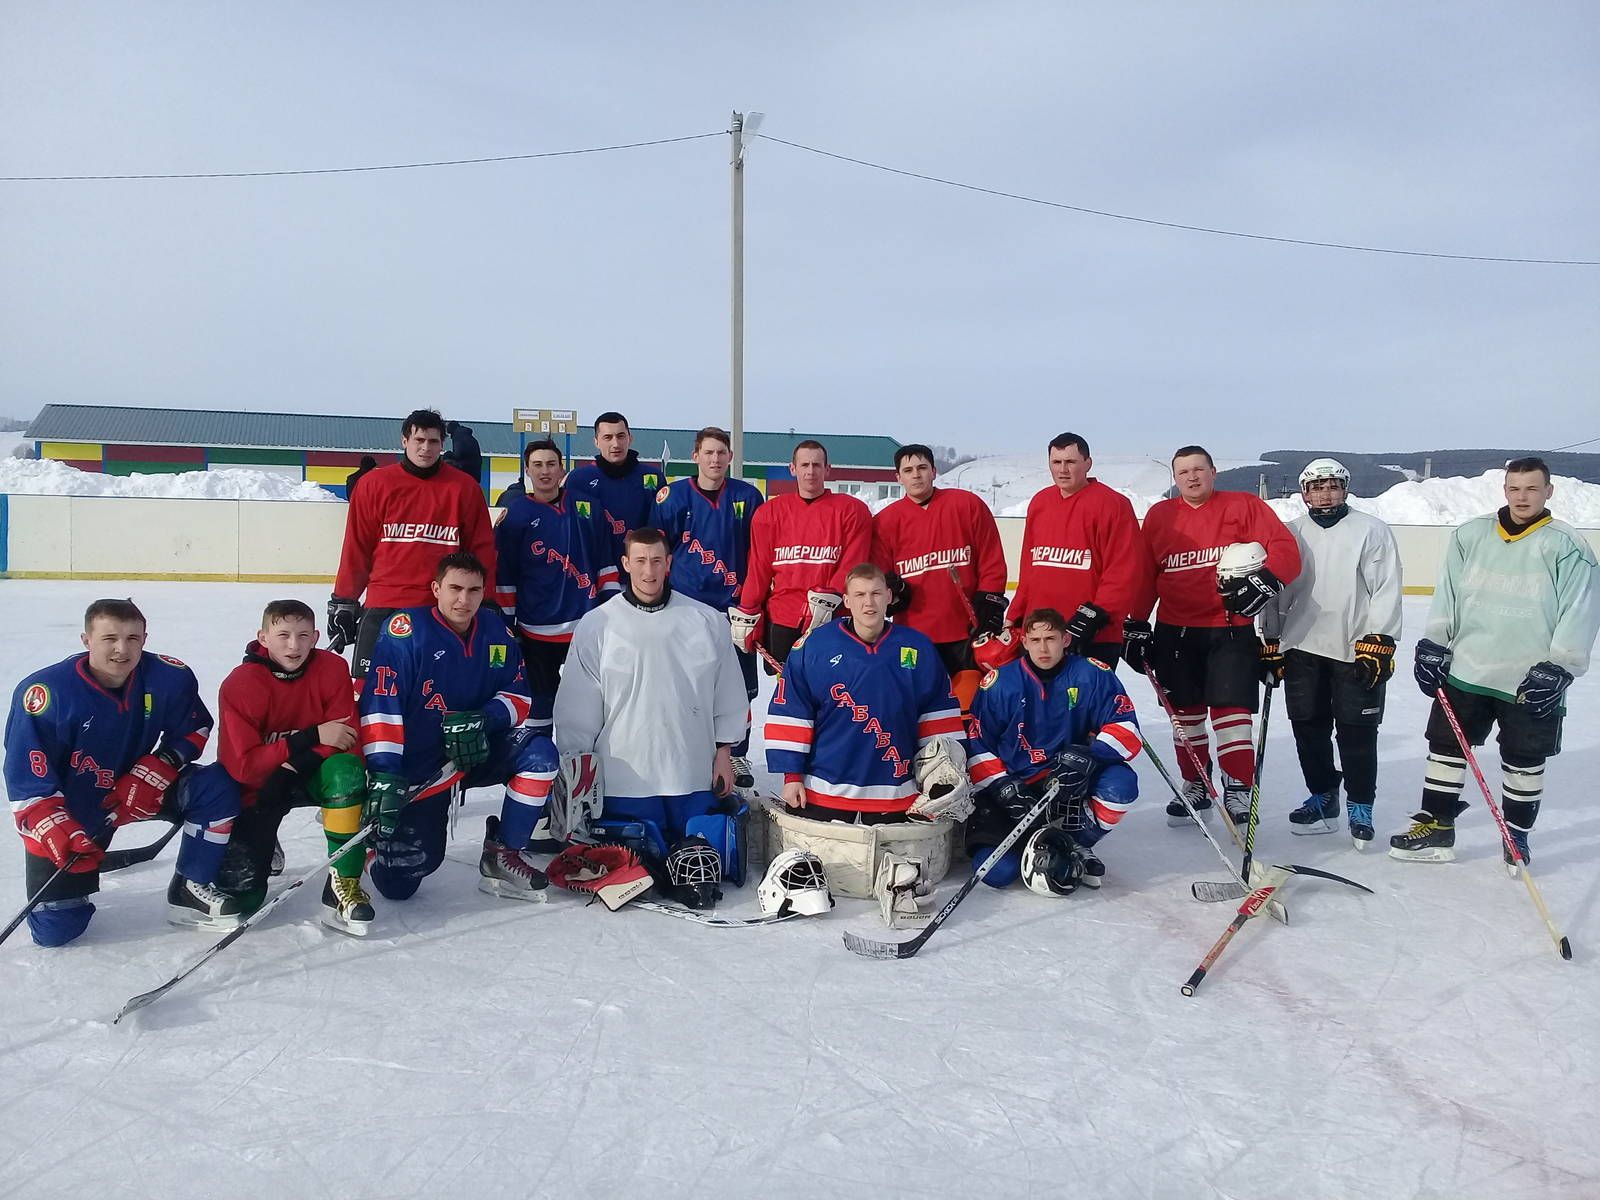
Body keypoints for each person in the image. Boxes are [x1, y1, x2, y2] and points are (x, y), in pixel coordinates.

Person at [1390, 457, 1599, 868]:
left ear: (1548, 491)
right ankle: (1437, 826)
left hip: (1529, 676)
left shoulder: (1567, 545)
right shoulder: (1471, 534)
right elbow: (1449, 592)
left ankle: (1516, 833)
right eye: (1515, 488)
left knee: (1524, 757)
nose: (1523, 497)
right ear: (1505, 490)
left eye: (1532, 489)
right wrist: (1435, 642)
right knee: (1446, 747)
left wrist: (1561, 665)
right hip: (1469, 668)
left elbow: (1581, 609)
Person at [5, 599, 241, 946]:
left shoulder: (169, 677)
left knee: (215, 787)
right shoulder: (46, 693)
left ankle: (191, 886)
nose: (122, 649)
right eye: (109, 638)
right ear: (86, 640)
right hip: (73, 810)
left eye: (133, 638)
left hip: (135, 792)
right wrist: (59, 829)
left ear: (145, 638)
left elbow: (195, 729)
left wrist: (163, 764)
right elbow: (27, 780)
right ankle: (73, 888)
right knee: (57, 930)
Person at [360, 553, 558, 903]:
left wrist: (485, 719)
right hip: (422, 766)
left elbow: (519, 695)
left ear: (484, 593)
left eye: (473, 590)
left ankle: (503, 853)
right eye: (454, 588)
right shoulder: (405, 633)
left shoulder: (497, 632)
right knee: (399, 884)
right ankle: (375, 849)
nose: (463, 600)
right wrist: (385, 773)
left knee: (540, 756)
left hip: (477, 749)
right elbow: (381, 709)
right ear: (436, 588)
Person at [554, 528, 748, 869]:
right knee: (638, 862)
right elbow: (577, 705)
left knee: (698, 858)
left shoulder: (706, 621)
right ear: (626, 563)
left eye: (657, 561)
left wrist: (724, 752)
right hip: (625, 778)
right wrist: (577, 768)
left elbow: (728, 692)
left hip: (691, 773)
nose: (649, 571)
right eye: (640, 561)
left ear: (669, 563)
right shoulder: (597, 624)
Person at [1129, 445, 1301, 825]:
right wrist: (1137, 621)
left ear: (1213, 471)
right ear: (1175, 478)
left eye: (1198, 469)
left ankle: (1238, 786)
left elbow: (1285, 549)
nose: (1191, 477)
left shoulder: (1244, 506)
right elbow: (1145, 573)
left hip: (1230, 630)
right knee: (1185, 717)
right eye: (1183, 472)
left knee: (1232, 715)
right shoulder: (1160, 516)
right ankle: (1195, 782)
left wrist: (1269, 579)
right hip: (1175, 633)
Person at [1260, 459, 1403, 849]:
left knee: (1357, 731)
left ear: (1345, 488)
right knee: (1308, 727)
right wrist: (1270, 639)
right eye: (1317, 486)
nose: (1325, 492)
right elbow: (1277, 591)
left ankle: (1361, 803)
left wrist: (1381, 638)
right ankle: (1323, 794)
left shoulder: (1371, 530)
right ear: (1304, 492)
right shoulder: (1291, 533)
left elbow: (1386, 587)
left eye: (1333, 485)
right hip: (1302, 645)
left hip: (1356, 647)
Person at [215, 600, 373, 933]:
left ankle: (343, 885)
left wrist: (292, 764)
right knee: (241, 901)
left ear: (316, 636)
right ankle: (264, 842)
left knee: (346, 770)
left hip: (311, 771)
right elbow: (244, 766)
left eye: (303, 636)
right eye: (283, 634)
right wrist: (310, 737)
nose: (294, 645)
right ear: (263, 637)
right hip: (260, 785)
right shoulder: (241, 684)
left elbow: (346, 735)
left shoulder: (331, 668)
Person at [765, 563, 967, 822]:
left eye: (876, 593)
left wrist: (941, 776)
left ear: (889, 597)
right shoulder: (814, 647)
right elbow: (792, 712)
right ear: (847, 600)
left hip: (899, 794)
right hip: (825, 791)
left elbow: (937, 714)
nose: (868, 603)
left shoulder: (918, 648)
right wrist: (792, 777)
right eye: (860, 595)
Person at [965, 607, 1143, 889]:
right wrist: (1002, 785)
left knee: (1120, 785)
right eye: (1035, 641)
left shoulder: (1092, 674)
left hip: (1069, 781)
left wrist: (1089, 754)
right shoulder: (1001, 685)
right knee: (996, 873)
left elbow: (1127, 729)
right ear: (1023, 642)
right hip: (1017, 783)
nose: (1043, 648)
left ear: (1066, 640)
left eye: (1051, 638)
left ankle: (1075, 843)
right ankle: (1036, 840)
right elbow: (977, 743)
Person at [329, 408, 496, 688]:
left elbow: (481, 551)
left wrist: (487, 600)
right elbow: (356, 547)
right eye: (419, 440)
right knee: (373, 694)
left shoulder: (465, 489)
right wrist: (344, 600)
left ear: (442, 444)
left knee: (438, 692)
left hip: (442, 608)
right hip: (384, 604)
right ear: (404, 440)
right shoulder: (373, 485)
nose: (425, 448)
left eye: (433, 442)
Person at [649, 426, 766, 787]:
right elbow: (657, 550)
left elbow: (759, 552)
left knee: (741, 687)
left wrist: (752, 600)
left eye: (721, 453)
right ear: (696, 456)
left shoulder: (748, 495)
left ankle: (739, 755)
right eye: (708, 453)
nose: (715, 460)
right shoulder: (672, 497)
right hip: (686, 610)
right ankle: (690, 749)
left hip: (735, 610)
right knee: (686, 685)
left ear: (730, 457)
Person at [493, 439, 619, 736]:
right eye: (537, 465)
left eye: (551, 464)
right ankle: (542, 772)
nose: (545, 471)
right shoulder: (515, 516)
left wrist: (614, 610)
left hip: (585, 628)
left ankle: (586, 769)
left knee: (590, 705)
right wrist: (507, 625)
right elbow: (505, 575)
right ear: (527, 470)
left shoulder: (587, 506)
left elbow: (605, 563)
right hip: (535, 630)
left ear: (562, 469)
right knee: (541, 708)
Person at [871, 442, 1008, 711]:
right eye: (908, 470)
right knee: (918, 710)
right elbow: (879, 574)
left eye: (922, 467)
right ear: (897, 477)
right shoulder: (885, 521)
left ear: (934, 471)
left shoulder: (967, 505)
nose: (916, 475)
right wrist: (892, 593)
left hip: (966, 634)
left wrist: (990, 600)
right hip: (914, 636)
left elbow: (991, 558)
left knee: (968, 708)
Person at [1007, 432, 1154, 666]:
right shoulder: (1040, 503)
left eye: (1071, 462)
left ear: (1088, 463)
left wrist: (1095, 617)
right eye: (1056, 462)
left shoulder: (1113, 505)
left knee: (1084, 702)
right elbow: (1030, 569)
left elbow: (1123, 572)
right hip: (1040, 635)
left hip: (1092, 636)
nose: (1063, 469)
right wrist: (1015, 615)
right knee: (1037, 701)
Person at [732, 439, 873, 669]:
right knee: (788, 694)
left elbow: (853, 564)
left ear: (827, 469)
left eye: (817, 465)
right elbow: (759, 568)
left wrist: (831, 596)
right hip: (783, 618)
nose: (810, 471)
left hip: (834, 618)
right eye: (804, 465)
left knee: (833, 690)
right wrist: (749, 608)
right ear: (792, 468)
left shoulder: (851, 511)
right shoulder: (769, 513)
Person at [563, 411, 665, 579]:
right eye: (607, 437)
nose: (616, 443)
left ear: (630, 438)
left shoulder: (652, 478)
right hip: (594, 576)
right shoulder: (578, 480)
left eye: (620, 436)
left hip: (642, 576)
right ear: (596, 441)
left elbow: (661, 530)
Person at [443, 420, 483, 487]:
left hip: (467, 469)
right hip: (475, 471)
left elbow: (458, 454)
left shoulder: (458, 436)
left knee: (447, 456)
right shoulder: (466, 435)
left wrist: (448, 455)